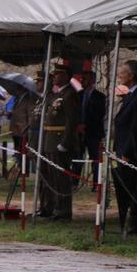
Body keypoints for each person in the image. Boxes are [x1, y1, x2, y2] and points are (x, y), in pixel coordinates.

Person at [38, 60, 80, 221]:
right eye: (54, 74)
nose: (54, 77)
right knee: (51, 176)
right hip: (49, 140)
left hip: (59, 140)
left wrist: (65, 142)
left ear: (66, 76)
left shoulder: (70, 94)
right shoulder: (56, 94)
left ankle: (63, 209)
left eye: (58, 74)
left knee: (60, 178)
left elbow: (71, 120)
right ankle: (53, 206)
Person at [112, 60, 137, 234]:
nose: (120, 75)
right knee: (127, 187)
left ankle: (136, 222)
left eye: (123, 72)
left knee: (135, 188)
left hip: (132, 152)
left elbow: (136, 129)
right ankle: (132, 220)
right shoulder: (130, 96)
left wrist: (127, 152)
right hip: (123, 148)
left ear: (131, 76)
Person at [76, 67, 106, 190]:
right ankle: (75, 181)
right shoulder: (78, 95)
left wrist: (86, 125)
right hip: (79, 132)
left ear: (92, 80)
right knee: (78, 157)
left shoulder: (100, 96)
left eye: (85, 79)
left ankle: (95, 183)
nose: (82, 81)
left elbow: (99, 114)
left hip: (93, 132)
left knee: (95, 158)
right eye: (82, 78)